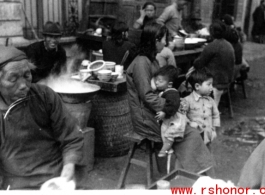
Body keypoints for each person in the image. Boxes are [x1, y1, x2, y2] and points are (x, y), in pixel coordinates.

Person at [126, 22, 214, 174]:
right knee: (188, 131)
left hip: (154, 110)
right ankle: (189, 174)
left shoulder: (151, 60)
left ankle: (192, 172)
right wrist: (172, 107)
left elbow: (162, 89)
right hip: (145, 117)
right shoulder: (141, 63)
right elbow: (147, 96)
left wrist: (177, 101)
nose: (166, 43)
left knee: (194, 124)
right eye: (164, 40)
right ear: (155, 40)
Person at [0, 46, 84, 190]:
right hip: (17, 184)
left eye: (27, 76)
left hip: (57, 176)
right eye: (13, 79)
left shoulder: (44, 96)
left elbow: (72, 136)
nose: (23, 85)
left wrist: (69, 165)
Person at [193, 20, 235, 107]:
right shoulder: (229, 45)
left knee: (190, 75)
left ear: (212, 33)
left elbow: (198, 64)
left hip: (215, 82)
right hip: (227, 80)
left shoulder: (212, 46)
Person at [152, 66, 186, 157]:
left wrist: (165, 112)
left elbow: (173, 104)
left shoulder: (172, 93)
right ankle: (168, 149)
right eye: (156, 80)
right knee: (164, 132)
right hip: (169, 119)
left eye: (160, 81)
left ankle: (165, 149)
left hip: (175, 119)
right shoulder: (165, 91)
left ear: (170, 84)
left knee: (169, 134)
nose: (157, 82)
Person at [185, 68, 220, 149]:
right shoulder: (187, 100)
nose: (211, 88)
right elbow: (181, 116)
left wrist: (214, 130)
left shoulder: (210, 100)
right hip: (193, 137)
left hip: (207, 136)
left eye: (212, 84)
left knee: (207, 154)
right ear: (197, 86)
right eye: (209, 84)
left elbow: (216, 115)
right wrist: (189, 123)